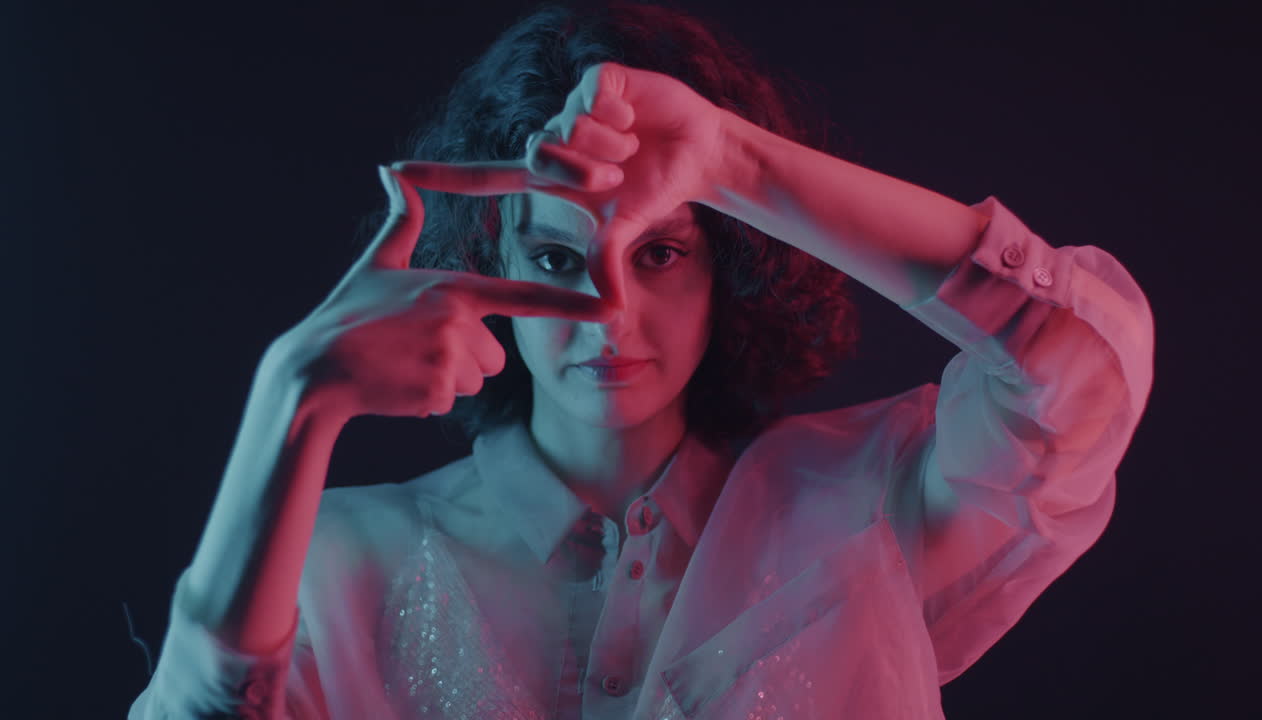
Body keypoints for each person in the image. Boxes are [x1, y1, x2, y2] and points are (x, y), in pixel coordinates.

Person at [128, 1, 1154, 718]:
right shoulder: (337, 562)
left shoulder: (866, 512)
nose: (605, 308)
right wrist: (290, 401)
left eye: (659, 252)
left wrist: (732, 161)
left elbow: (1077, 377)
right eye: (552, 256)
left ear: (730, 266)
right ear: (483, 260)